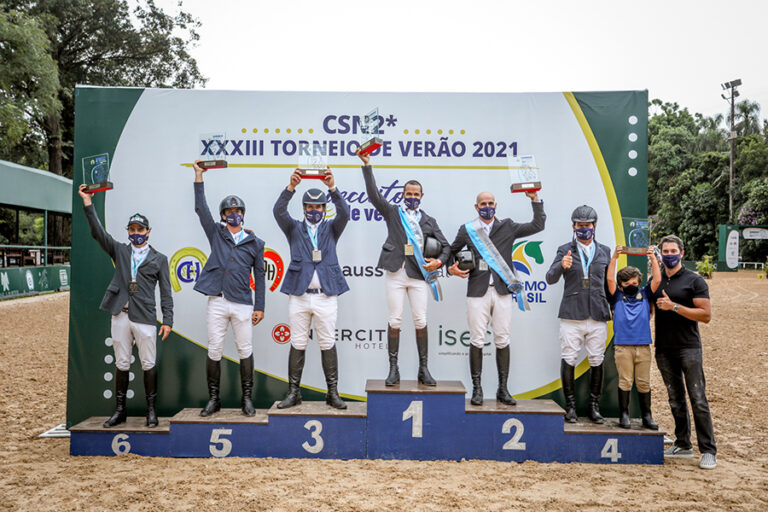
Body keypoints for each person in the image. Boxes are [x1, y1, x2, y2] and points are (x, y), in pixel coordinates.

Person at [78, 184, 173, 428]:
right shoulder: (119, 250)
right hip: (120, 313)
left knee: (148, 364)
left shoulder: (159, 259)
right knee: (121, 363)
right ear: (128, 231)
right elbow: (99, 233)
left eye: (140, 229)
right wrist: (88, 203)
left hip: (145, 317)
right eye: (132, 229)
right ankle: (120, 411)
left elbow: (165, 292)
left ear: (148, 232)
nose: (136, 232)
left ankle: (152, 411)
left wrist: (168, 320)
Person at [356, 148, 451, 386]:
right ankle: (393, 369)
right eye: (408, 193)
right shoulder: (393, 212)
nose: (412, 196)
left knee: (420, 320)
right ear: (403, 194)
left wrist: (438, 261)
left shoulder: (429, 221)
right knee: (395, 319)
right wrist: (367, 165)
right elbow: (374, 196)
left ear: (421, 196)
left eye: (416, 194)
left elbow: (446, 247)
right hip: (395, 273)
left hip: (418, 275)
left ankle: (424, 369)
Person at [448, 190, 546, 405]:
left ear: (496, 205)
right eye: (483, 203)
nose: (487, 206)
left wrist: (535, 200)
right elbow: (450, 251)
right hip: (477, 291)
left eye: (491, 202)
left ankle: (503, 389)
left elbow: (537, 225)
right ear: (476, 207)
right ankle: (477, 390)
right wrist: (451, 269)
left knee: (502, 339)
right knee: (477, 340)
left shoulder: (508, 226)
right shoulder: (467, 229)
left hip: (502, 291)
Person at [192, 160, 265, 417]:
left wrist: (260, 306)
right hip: (218, 301)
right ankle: (214, 399)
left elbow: (260, 275)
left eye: (238, 210)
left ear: (243, 213)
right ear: (224, 216)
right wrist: (199, 176)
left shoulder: (255, 242)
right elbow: (201, 209)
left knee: (245, 350)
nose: (234, 214)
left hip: (243, 302)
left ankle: (247, 398)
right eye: (229, 211)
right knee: (214, 350)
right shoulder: (216, 233)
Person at [273, 168, 350, 409]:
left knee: (327, 342)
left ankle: (332, 393)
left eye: (318, 207)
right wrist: (291, 188)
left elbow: (345, 213)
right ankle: (294, 393)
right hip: (299, 295)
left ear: (323, 209)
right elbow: (278, 211)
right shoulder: (294, 228)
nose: (314, 211)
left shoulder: (331, 228)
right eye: (310, 207)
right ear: (304, 208)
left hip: (326, 296)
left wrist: (333, 188)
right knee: (298, 342)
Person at [652, 234, 716, 470]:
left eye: (673, 251)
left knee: (698, 399)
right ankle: (683, 444)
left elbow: (706, 315)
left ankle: (708, 450)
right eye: (665, 252)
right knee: (675, 399)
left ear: (682, 253)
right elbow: (647, 308)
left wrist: (674, 307)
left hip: (688, 347)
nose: (669, 255)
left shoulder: (694, 280)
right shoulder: (656, 280)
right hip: (664, 348)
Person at [545, 205, 611, 423]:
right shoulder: (565, 249)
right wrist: (561, 266)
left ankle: (594, 407)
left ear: (594, 226)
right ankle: (570, 406)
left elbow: (609, 283)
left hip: (597, 314)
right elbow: (550, 278)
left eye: (588, 225)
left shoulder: (605, 251)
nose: (584, 228)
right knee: (569, 358)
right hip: (572, 314)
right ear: (573, 226)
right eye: (580, 225)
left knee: (597, 359)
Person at [606, 245, 660, 430]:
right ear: (621, 285)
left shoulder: (645, 294)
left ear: (639, 282)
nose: (631, 285)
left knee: (644, 382)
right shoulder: (617, 297)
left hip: (643, 346)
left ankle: (647, 415)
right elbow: (609, 279)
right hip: (623, 347)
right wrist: (614, 257)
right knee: (625, 381)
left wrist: (653, 258)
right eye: (627, 283)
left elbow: (657, 279)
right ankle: (624, 414)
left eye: (634, 282)